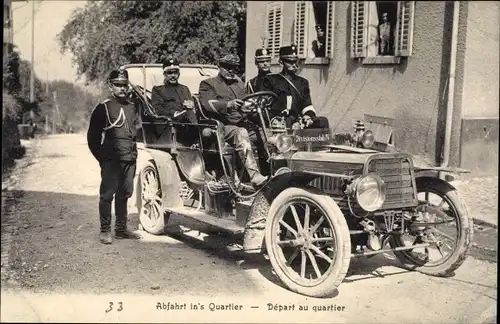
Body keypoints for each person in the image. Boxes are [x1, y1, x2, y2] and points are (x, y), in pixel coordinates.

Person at [87, 69, 141, 244]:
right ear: (111, 86)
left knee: (125, 193)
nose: (122, 88)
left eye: (124, 85)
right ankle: (105, 230)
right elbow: (93, 138)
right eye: (118, 85)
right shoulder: (103, 108)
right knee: (107, 195)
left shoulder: (133, 107)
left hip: (129, 158)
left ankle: (121, 229)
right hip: (112, 159)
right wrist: (103, 158)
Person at [198, 54, 267, 188]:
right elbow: (208, 104)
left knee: (266, 134)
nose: (230, 71)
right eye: (227, 67)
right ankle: (254, 176)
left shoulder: (239, 85)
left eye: (234, 68)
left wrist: (253, 107)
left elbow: (246, 103)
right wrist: (228, 105)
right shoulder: (208, 84)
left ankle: (272, 172)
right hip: (222, 126)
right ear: (219, 67)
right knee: (240, 132)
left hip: (242, 122)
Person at [261, 45, 330, 129]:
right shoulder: (271, 80)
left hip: (298, 122)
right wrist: (274, 119)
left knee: (323, 121)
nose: (294, 65)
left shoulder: (302, 82)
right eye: (290, 62)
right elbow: (265, 107)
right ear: (281, 62)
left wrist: (308, 116)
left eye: (295, 61)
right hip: (279, 122)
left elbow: (307, 105)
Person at [151, 57, 197, 124]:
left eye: (175, 72)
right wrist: (174, 113)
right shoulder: (158, 90)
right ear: (164, 74)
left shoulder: (184, 89)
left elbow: (190, 106)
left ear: (179, 74)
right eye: (169, 73)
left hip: (188, 122)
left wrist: (191, 105)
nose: (173, 75)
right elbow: (158, 109)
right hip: (170, 123)